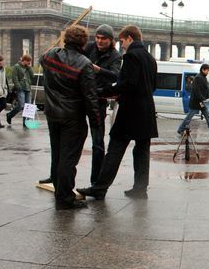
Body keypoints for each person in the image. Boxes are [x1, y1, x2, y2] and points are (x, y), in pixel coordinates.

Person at [78, 25, 158, 200]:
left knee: (115, 150)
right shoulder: (151, 59)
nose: (121, 45)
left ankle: (99, 188)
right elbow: (153, 85)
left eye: (122, 41)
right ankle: (140, 189)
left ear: (129, 38)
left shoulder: (131, 56)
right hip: (146, 111)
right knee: (142, 152)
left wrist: (103, 91)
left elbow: (126, 84)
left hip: (130, 112)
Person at [40, 25, 100, 210]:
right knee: (68, 159)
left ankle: (61, 193)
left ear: (65, 39)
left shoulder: (49, 56)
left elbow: (41, 58)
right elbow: (90, 98)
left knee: (57, 156)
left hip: (52, 114)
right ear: (84, 42)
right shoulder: (84, 63)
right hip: (73, 118)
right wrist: (96, 121)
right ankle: (65, 198)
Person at [83, 24, 122, 184]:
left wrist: (99, 70)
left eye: (103, 39)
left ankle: (96, 181)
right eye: (97, 38)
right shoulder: (89, 47)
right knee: (70, 139)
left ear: (111, 40)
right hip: (81, 97)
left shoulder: (116, 56)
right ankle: (58, 175)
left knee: (97, 142)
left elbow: (115, 76)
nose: (99, 41)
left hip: (98, 100)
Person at [177, 63, 209, 138]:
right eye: (207, 70)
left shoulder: (203, 78)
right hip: (196, 103)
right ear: (203, 70)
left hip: (203, 103)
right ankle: (180, 129)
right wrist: (203, 99)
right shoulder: (198, 78)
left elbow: (207, 89)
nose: (208, 72)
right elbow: (197, 91)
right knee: (189, 117)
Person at [6, 54, 34, 128]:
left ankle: (25, 122)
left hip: (28, 88)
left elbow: (32, 76)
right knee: (21, 105)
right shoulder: (16, 67)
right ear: (24, 60)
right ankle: (9, 115)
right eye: (28, 61)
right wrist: (19, 87)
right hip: (21, 89)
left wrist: (30, 68)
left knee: (27, 107)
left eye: (30, 61)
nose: (29, 63)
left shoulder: (28, 68)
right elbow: (14, 78)